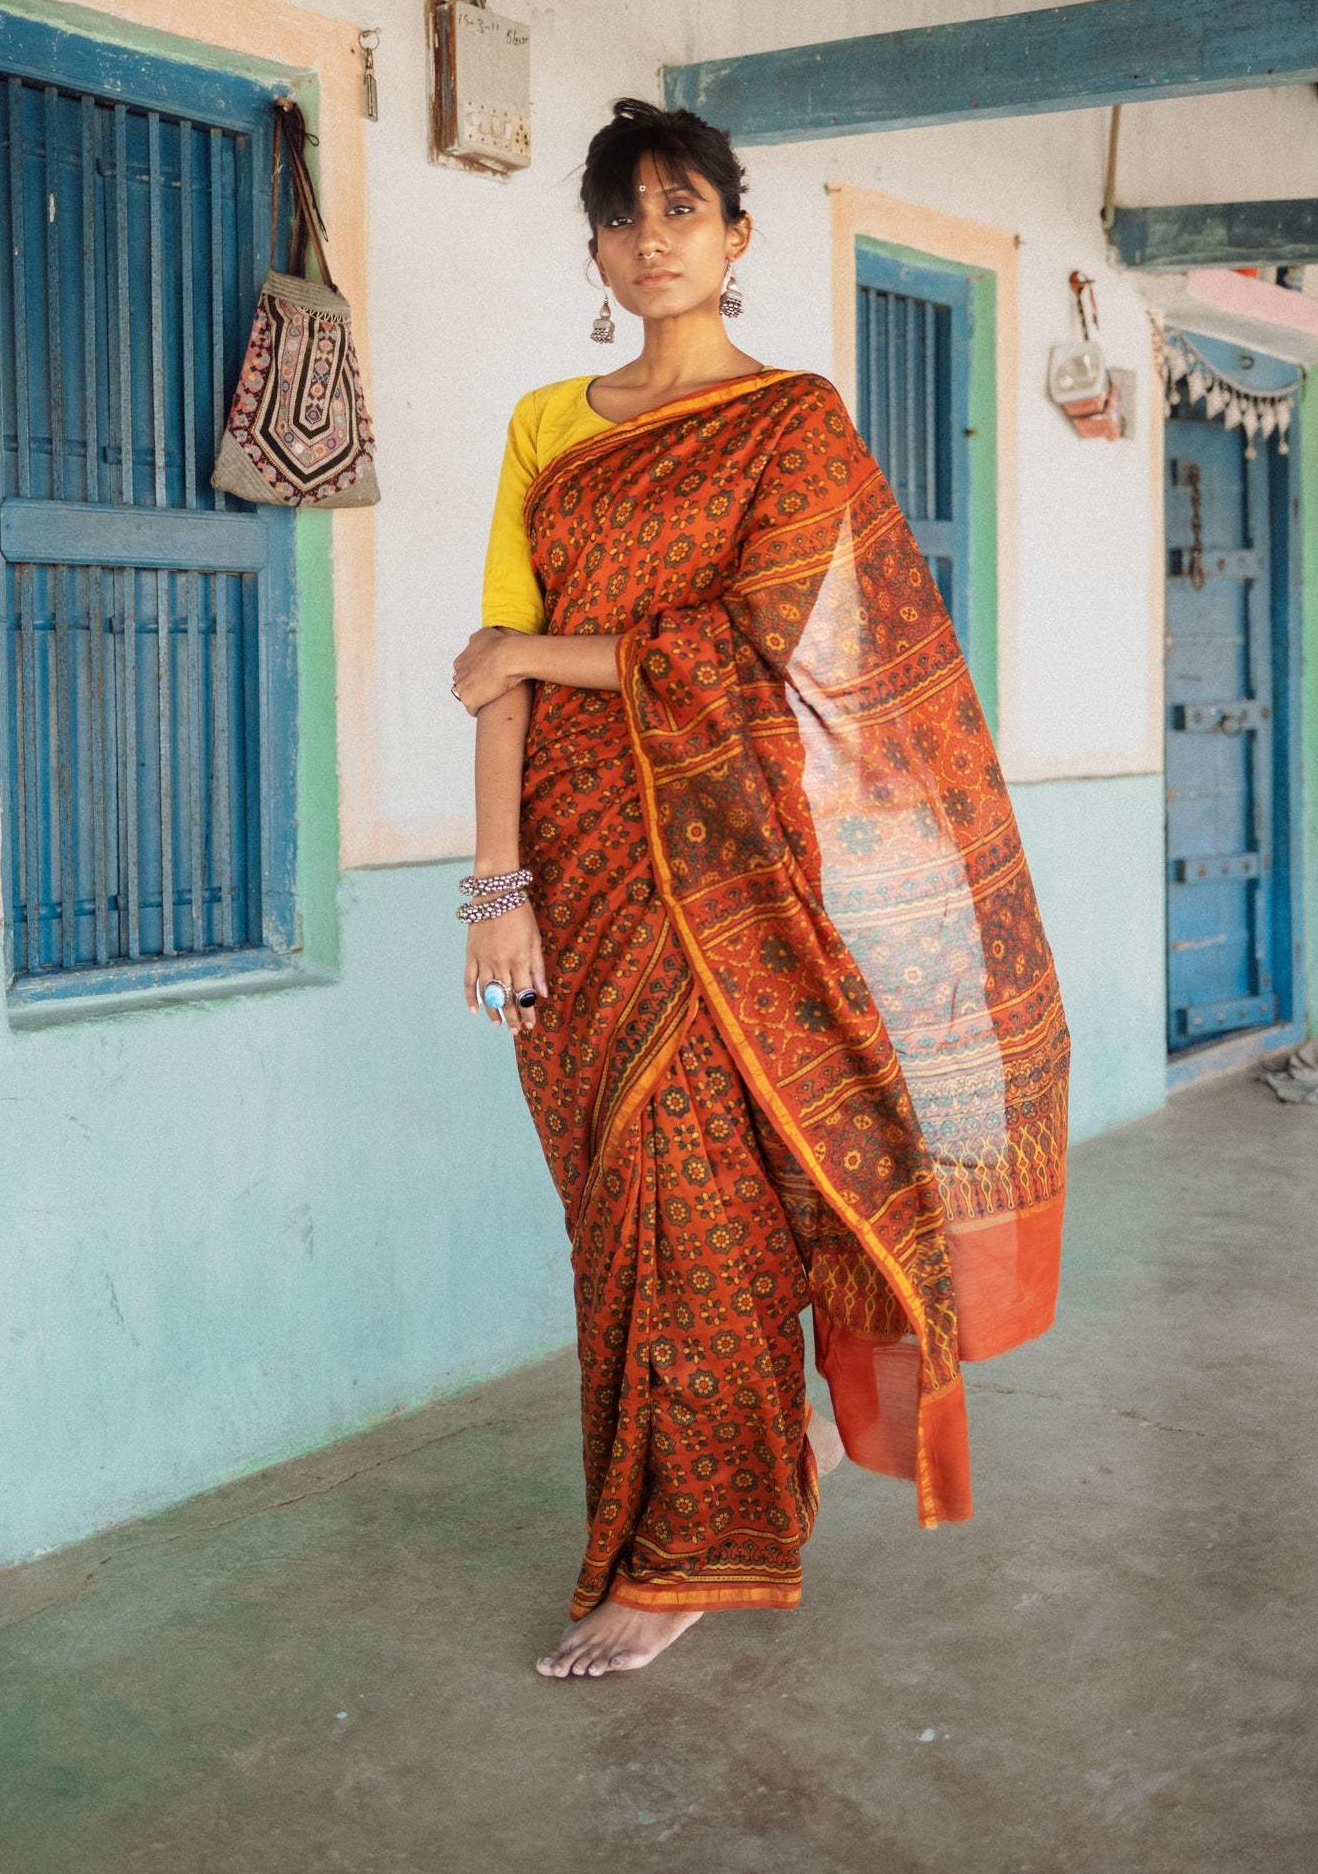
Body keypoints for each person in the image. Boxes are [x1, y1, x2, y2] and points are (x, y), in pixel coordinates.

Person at [452, 99, 1069, 1682]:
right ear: (593, 245)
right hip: (577, 866)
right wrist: (491, 883)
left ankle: (687, 1555)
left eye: (681, 208)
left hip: (736, 871)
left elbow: (774, 656)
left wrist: (538, 649)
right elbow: (488, 679)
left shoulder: (793, 425)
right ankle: (703, 1487)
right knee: (617, 1212)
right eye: (620, 214)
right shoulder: (546, 425)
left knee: (702, 1200)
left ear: (736, 235)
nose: (650, 237)